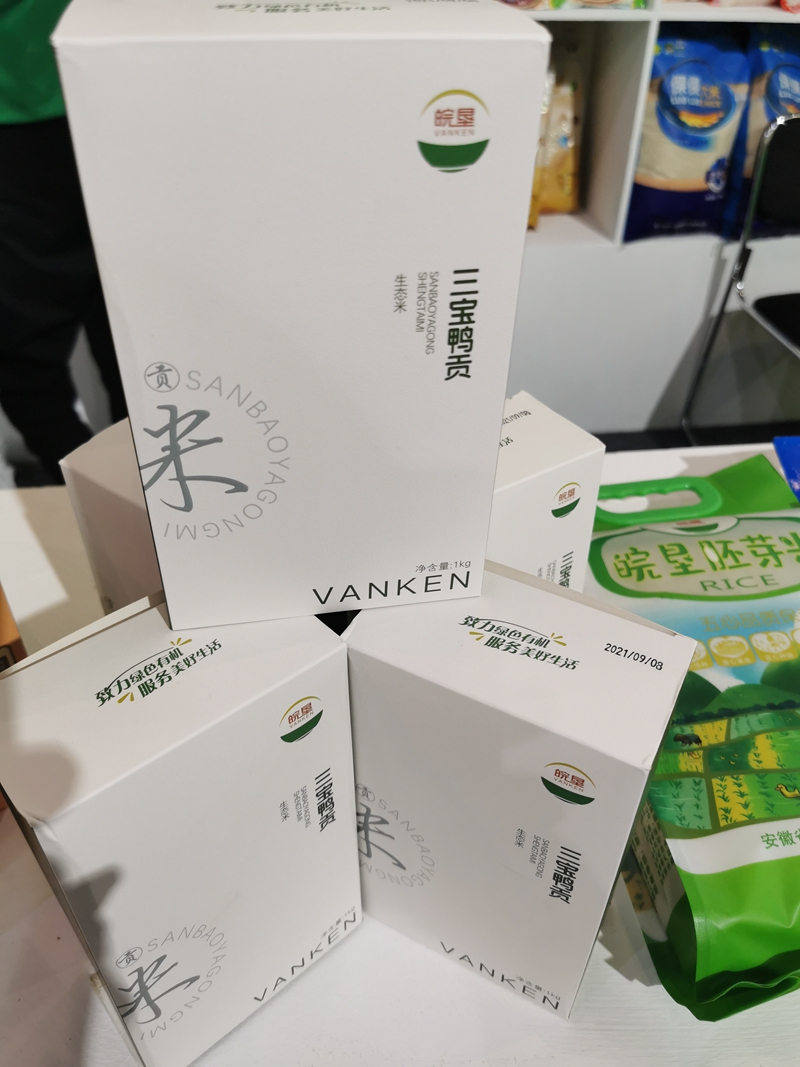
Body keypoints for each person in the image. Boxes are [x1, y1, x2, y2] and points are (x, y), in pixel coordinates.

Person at [0, 0, 127, 483]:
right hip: (20, 102)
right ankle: (97, 494)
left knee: (144, 317)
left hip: (135, 74)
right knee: (24, 331)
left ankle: (158, 494)